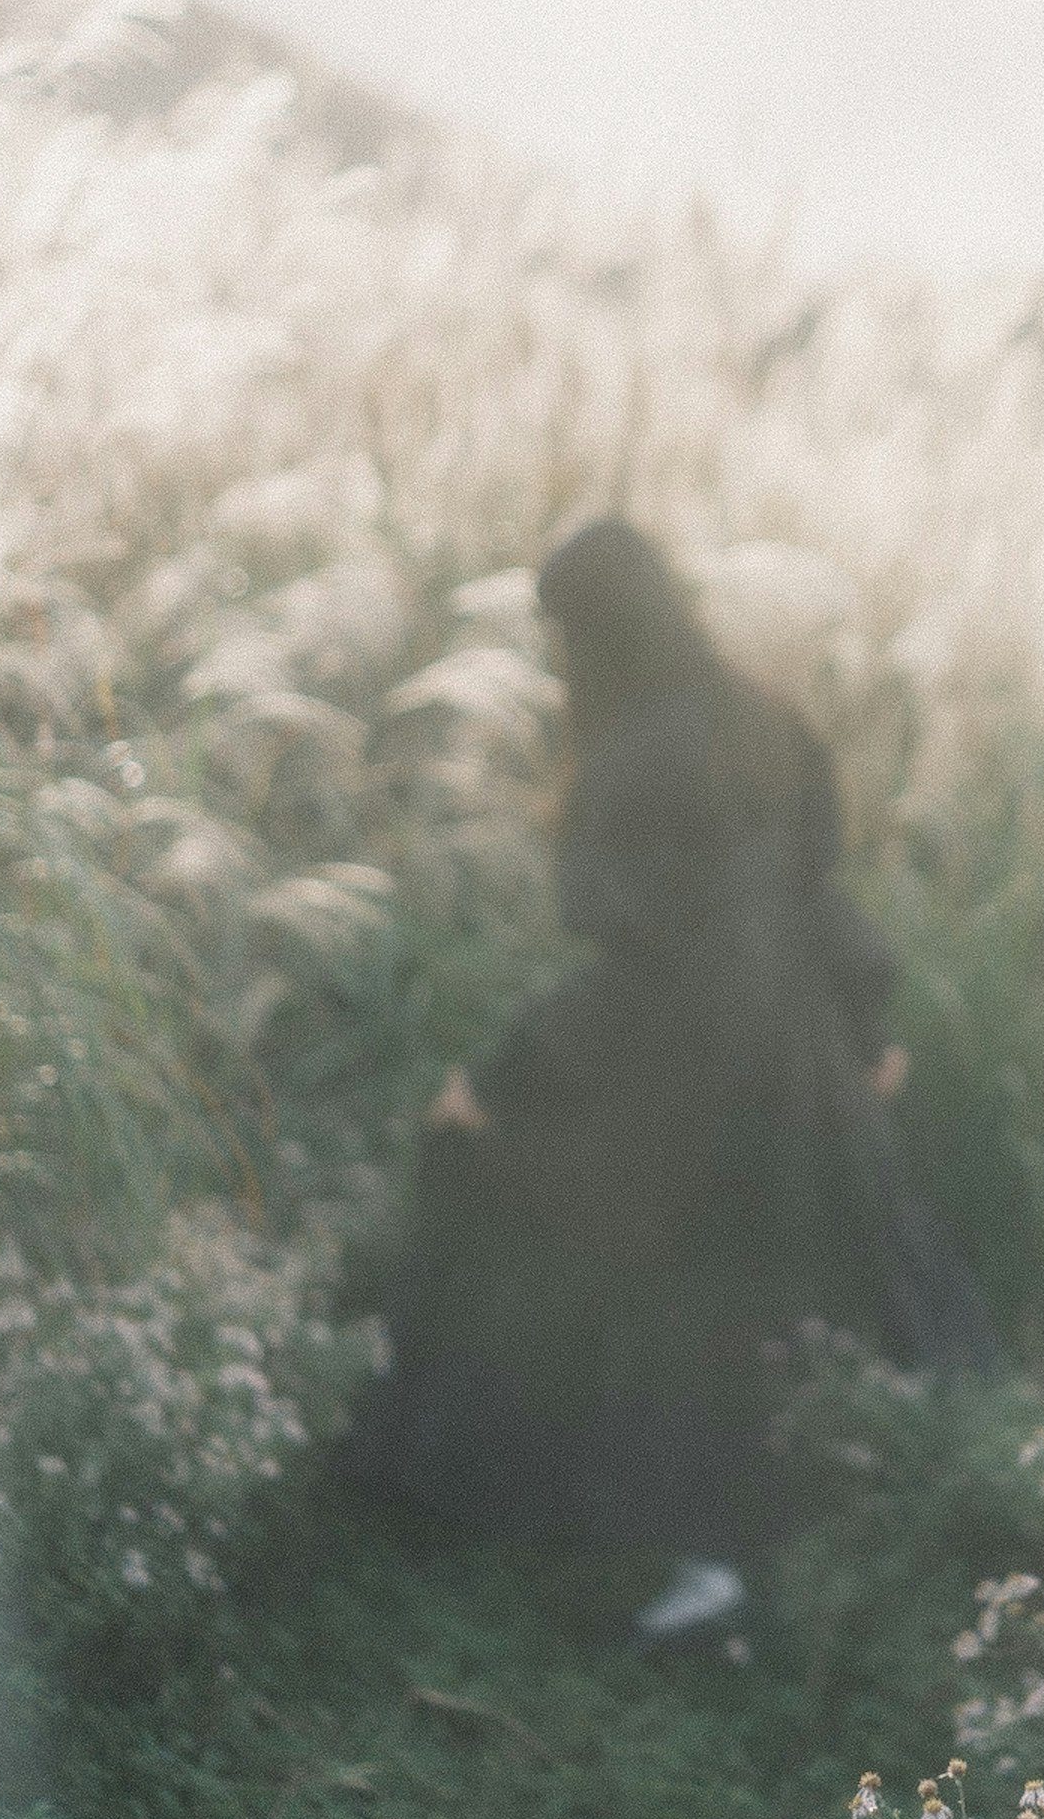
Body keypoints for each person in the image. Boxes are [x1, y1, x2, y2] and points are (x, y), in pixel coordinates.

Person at [339, 517, 996, 1639]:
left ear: (596, 629)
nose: (550, 658)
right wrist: (863, 1023)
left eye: (558, 632)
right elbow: (812, 896)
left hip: (680, 1067)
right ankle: (826, 1520)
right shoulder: (763, 719)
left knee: (507, 1179)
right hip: (790, 1060)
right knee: (783, 1283)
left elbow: (651, 971)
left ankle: (586, 1520)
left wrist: (498, 1081)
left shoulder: (637, 757)